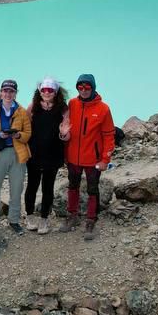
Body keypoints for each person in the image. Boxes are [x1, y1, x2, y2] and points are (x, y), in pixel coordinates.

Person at [62, 73, 115, 241]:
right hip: (73, 157)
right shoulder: (72, 104)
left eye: (87, 87)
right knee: (72, 186)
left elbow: (109, 135)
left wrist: (105, 159)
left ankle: (91, 219)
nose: (83, 90)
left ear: (93, 88)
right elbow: (65, 127)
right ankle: (72, 216)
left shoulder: (103, 109)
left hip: (93, 159)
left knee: (93, 189)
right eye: (80, 87)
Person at [0, 79, 31, 238]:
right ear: (1, 92)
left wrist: (18, 134)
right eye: (5, 91)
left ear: (15, 93)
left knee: (16, 190)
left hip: (17, 153)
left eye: (11, 91)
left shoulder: (22, 112)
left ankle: (14, 221)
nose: (8, 94)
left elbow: (28, 135)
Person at [24, 78, 70, 235]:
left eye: (50, 90)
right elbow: (24, 126)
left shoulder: (63, 109)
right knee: (32, 185)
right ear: (39, 91)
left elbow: (67, 132)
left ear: (55, 92)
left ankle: (44, 219)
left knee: (48, 187)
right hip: (34, 153)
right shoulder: (33, 107)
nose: (46, 92)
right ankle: (29, 216)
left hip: (54, 153)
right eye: (44, 89)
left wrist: (64, 134)